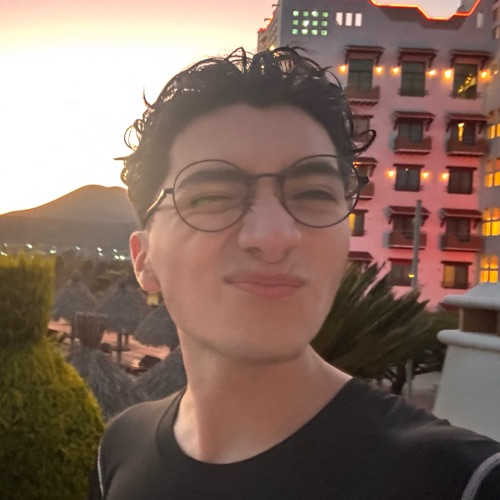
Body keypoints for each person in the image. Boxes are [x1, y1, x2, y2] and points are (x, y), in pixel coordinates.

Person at [91, 47, 500, 499]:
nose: (274, 235)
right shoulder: (121, 450)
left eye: (314, 193)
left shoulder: (462, 482)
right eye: (212, 197)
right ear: (144, 259)